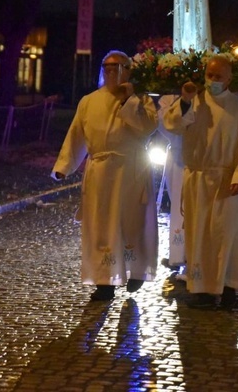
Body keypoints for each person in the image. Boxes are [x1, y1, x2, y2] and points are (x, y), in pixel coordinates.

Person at [51, 50, 159, 301]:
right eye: (107, 67)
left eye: (118, 67)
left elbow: (148, 127)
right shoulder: (89, 101)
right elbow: (76, 134)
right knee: (100, 226)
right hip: (100, 171)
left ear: (128, 70)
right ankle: (104, 281)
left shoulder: (140, 100)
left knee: (132, 221)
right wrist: (64, 166)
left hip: (130, 169)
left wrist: (127, 100)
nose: (111, 71)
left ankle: (135, 270)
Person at [163, 55, 238, 308]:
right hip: (198, 177)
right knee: (199, 234)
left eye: (219, 76)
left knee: (226, 233)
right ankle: (202, 287)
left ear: (229, 78)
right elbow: (172, 125)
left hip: (226, 180)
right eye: (210, 75)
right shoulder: (194, 101)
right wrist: (184, 100)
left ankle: (226, 284)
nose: (213, 80)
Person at [156, 95, 186, 276]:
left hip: (193, 157)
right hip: (176, 158)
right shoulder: (169, 100)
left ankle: (188, 255)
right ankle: (177, 253)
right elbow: (165, 125)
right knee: (177, 208)